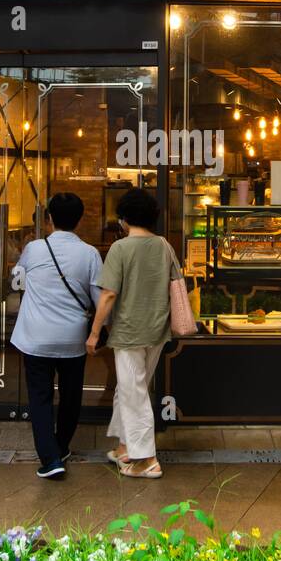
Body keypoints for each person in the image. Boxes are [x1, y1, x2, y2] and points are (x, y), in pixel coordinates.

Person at [11, 193, 101, 480]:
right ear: (80, 219)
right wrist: (99, 330)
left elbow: (17, 281)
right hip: (72, 337)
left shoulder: (34, 249)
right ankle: (60, 447)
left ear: (48, 218)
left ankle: (50, 459)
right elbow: (100, 298)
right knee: (71, 396)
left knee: (40, 397)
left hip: (35, 336)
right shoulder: (89, 253)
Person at [87, 188, 173, 479]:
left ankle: (146, 460)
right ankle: (124, 446)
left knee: (134, 393)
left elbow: (109, 294)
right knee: (131, 389)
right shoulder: (164, 245)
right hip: (158, 330)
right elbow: (177, 281)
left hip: (129, 331)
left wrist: (94, 332)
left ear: (123, 219)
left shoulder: (120, 248)